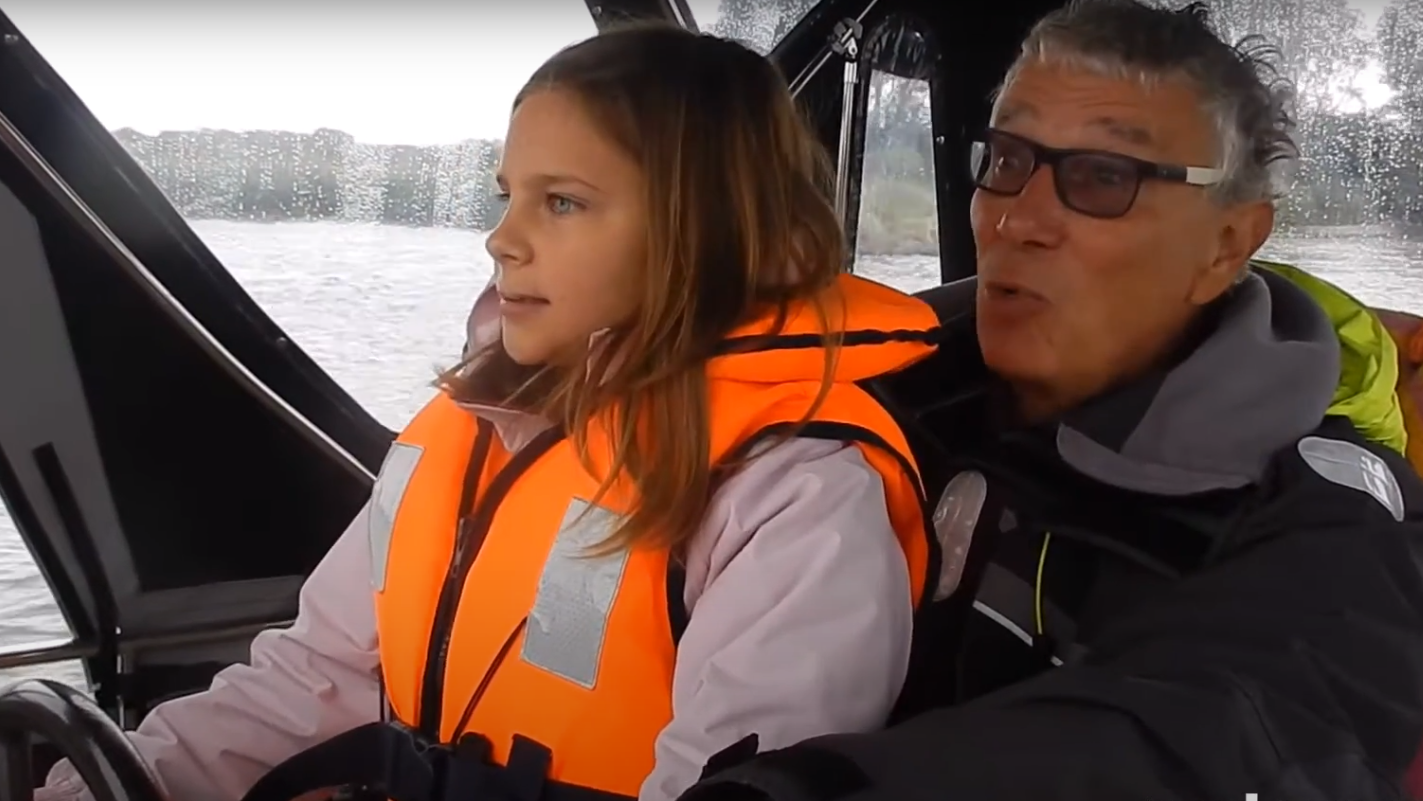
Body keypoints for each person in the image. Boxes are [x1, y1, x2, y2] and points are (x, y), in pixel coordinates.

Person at [38, 23, 945, 801]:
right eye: (507, 195)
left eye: (562, 202)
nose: (501, 239)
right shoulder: (456, 436)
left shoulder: (793, 496)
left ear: (707, 230)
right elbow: (317, 676)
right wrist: (99, 784)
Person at [673, 1, 1423, 800]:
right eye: (1006, 159)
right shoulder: (845, 400)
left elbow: (1232, 728)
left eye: (1103, 178)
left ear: (1226, 244)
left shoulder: (1329, 512)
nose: (1016, 218)